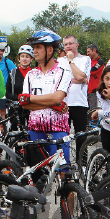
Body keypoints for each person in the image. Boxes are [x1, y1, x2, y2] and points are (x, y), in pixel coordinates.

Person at [17, 30, 72, 162]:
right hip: (35, 129)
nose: (34, 51)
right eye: (34, 47)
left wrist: (30, 98)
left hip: (58, 130)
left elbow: (58, 97)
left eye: (38, 47)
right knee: (36, 177)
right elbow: (25, 105)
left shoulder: (64, 72)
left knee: (63, 174)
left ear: (50, 50)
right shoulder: (30, 75)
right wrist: (54, 104)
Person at [58, 35, 91, 155]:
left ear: (76, 45)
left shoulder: (85, 59)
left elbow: (82, 77)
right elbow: (59, 80)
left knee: (81, 137)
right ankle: (64, 166)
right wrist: (78, 78)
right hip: (64, 103)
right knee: (62, 137)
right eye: (66, 44)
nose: (68, 46)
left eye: (70, 43)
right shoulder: (60, 61)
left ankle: (82, 166)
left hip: (79, 103)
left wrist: (71, 61)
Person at [86, 43, 105, 110]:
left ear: (94, 50)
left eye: (89, 51)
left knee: (93, 111)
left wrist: (84, 72)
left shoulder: (100, 62)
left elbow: (93, 71)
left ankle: (94, 121)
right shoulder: (88, 61)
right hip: (86, 90)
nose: (87, 53)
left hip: (94, 91)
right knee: (86, 112)